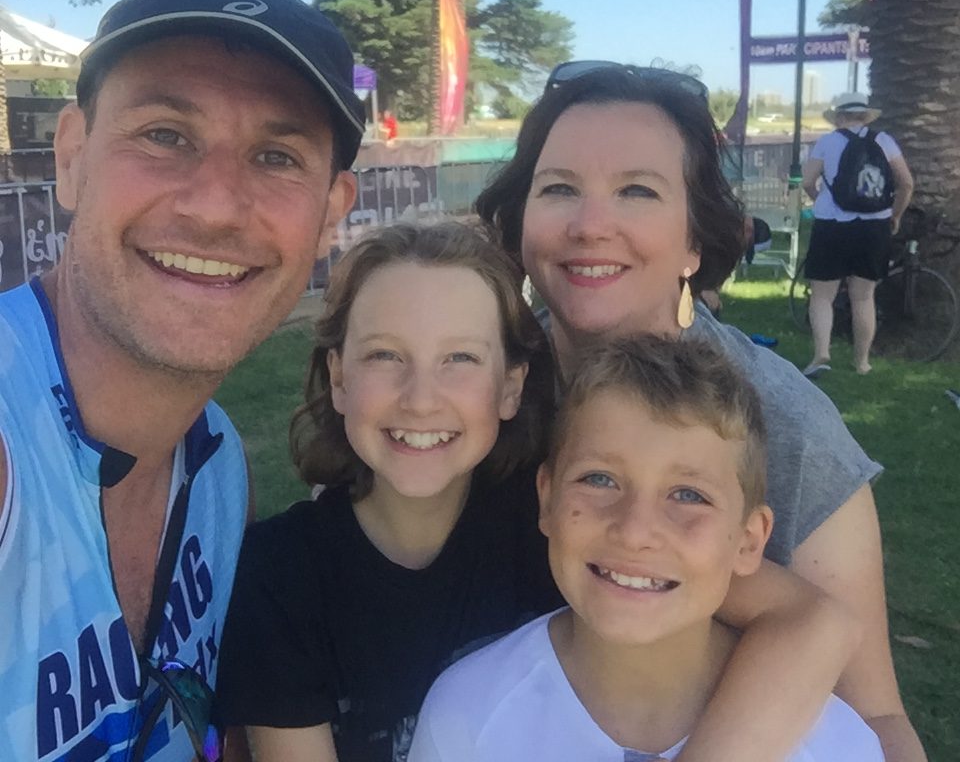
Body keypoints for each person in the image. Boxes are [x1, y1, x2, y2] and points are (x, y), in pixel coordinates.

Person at [218, 221, 859, 762]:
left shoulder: (571, 526)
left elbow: (810, 619)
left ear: (511, 387)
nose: (420, 398)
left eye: (461, 359)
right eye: (385, 355)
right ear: (338, 378)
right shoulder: (282, 578)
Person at [475, 61, 926, 762]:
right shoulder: (470, 383)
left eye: (637, 191)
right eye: (560, 188)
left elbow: (878, 718)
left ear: (694, 242)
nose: (591, 225)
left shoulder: (782, 422)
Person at [0, 0, 361, 761]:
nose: (215, 205)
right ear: (71, 158)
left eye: (275, 155)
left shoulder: (222, 470)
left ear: (332, 214)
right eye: (165, 134)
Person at [409, 336, 883, 762]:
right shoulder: (467, 716)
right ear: (547, 499)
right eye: (600, 479)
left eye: (688, 495)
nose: (635, 531)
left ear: (749, 539)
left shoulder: (837, 748)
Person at [801, 92, 914, 377]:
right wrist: (895, 215)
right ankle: (862, 362)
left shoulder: (827, 142)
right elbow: (906, 183)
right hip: (873, 226)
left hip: (832, 225)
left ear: (839, 117)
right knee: (864, 297)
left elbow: (807, 181)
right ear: (865, 116)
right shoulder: (885, 141)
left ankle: (821, 354)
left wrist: (821, 200)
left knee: (822, 295)